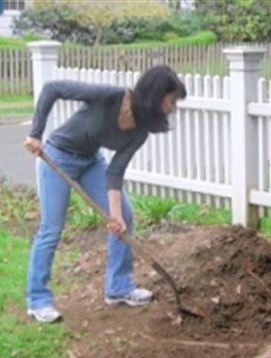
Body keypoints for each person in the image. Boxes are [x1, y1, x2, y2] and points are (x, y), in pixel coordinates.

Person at [23, 65, 187, 323]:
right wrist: (35, 133)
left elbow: (115, 171)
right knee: (51, 228)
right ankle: (38, 300)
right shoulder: (108, 96)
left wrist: (115, 215)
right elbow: (52, 89)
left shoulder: (140, 129)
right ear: (157, 95)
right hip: (58, 155)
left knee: (126, 216)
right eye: (171, 100)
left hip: (91, 161)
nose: (172, 108)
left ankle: (118, 287)